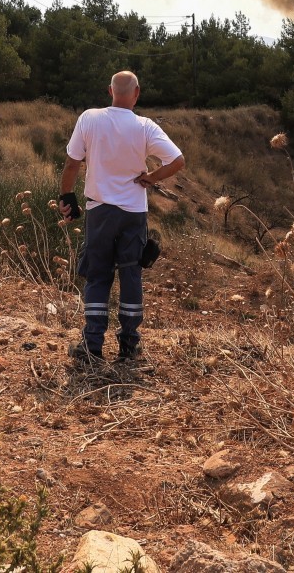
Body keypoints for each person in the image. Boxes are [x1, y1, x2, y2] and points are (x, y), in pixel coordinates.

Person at [60, 70, 184, 366]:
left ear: (110, 91)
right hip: (133, 212)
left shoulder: (89, 118)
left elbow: (72, 164)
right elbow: (178, 160)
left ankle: (92, 346)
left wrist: (67, 198)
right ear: (137, 93)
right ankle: (129, 346)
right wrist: (152, 177)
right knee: (130, 274)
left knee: (98, 274)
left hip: (100, 211)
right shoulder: (145, 126)